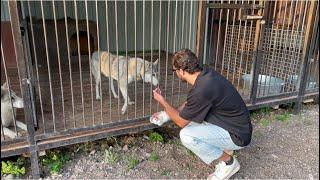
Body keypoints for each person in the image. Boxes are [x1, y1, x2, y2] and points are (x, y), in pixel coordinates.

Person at [151, 49, 252, 180]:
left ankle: (229, 162)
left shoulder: (202, 88)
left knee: (187, 135)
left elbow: (181, 122)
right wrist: (166, 114)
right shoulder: (205, 75)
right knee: (192, 121)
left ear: (181, 71)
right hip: (235, 125)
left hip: (238, 136)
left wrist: (163, 101)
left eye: (175, 71)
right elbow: (190, 104)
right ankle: (226, 147)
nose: (176, 74)